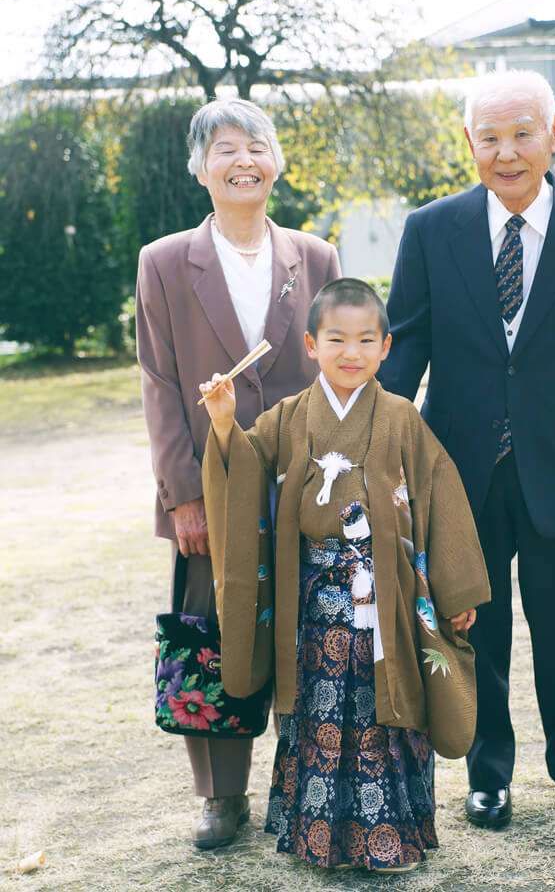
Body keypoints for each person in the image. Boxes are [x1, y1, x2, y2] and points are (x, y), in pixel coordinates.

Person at [378, 69, 555, 828]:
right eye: (489, 137)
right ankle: (487, 771)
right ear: (469, 144)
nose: (507, 152)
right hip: (457, 467)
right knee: (476, 626)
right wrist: (376, 437)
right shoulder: (431, 230)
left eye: (522, 133)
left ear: (553, 135)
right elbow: (408, 347)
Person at [199, 278, 491, 873]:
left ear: (386, 347)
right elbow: (245, 473)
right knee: (321, 708)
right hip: (313, 603)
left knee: (388, 706)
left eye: (365, 339)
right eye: (336, 338)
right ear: (310, 344)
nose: (350, 352)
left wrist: (456, 591)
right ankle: (319, 837)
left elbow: (439, 492)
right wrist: (226, 424)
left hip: (386, 598)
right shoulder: (289, 418)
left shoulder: (402, 417)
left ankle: (392, 837)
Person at [135, 97, 340, 849]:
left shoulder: (314, 257)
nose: (243, 159)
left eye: (256, 145)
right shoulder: (163, 262)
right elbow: (158, 382)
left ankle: (306, 786)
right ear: (200, 168)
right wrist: (182, 493)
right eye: (224, 148)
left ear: (277, 160)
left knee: (307, 633)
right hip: (210, 489)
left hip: (304, 482)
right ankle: (222, 798)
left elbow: (335, 370)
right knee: (214, 635)